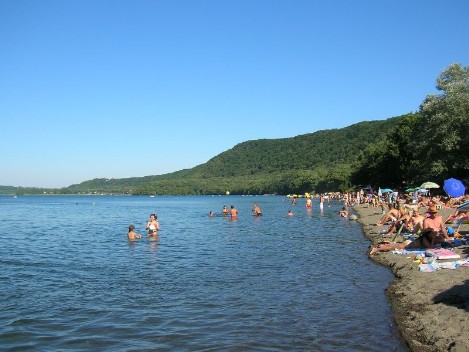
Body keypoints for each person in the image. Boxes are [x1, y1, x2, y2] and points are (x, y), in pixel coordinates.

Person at [369, 228, 437, 255]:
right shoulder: (426, 240)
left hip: (409, 242)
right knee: (393, 247)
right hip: (408, 244)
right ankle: (377, 248)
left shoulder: (425, 239)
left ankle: (381, 246)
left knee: (394, 246)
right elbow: (429, 247)